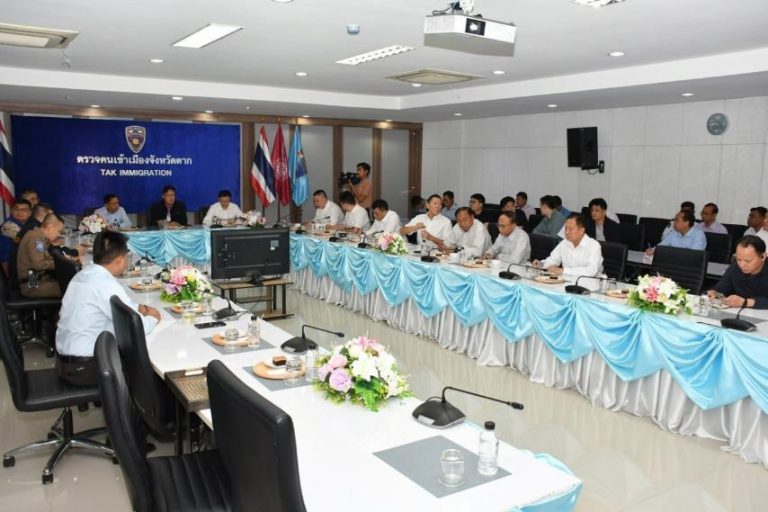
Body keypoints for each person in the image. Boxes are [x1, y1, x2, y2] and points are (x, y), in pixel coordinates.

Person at [56, 231, 161, 386]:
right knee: (150, 371)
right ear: (120, 260)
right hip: (85, 368)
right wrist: (153, 318)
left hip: (65, 362)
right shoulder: (106, 284)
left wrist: (137, 307)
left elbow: (116, 306)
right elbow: (136, 328)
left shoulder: (84, 274)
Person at [534, 214, 603, 283]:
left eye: (570, 229)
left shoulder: (594, 246)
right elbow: (553, 259)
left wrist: (563, 271)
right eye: (565, 228)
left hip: (589, 284)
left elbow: (591, 271)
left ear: (582, 230)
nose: (567, 232)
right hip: (566, 282)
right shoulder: (564, 243)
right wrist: (542, 264)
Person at [17, 213, 72, 298]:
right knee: (72, 289)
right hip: (32, 284)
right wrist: (62, 262)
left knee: (70, 284)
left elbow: (46, 258)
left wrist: (63, 260)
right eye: (58, 231)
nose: (58, 235)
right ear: (50, 227)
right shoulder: (35, 238)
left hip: (38, 279)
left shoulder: (39, 236)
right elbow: (38, 265)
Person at [708, 235, 768, 309]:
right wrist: (714, 293)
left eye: (748, 261)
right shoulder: (735, 268)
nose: (742, 265)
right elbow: (720, 289)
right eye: (738, 259)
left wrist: (746, 302)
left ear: (763, 256)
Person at [0, 199, 32, 272]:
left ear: (30, 213)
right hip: (8, 265)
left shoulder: (28, 224)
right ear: (11, 211)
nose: (19, 212)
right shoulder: (8, 225)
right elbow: (5, 256)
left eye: (24, 210)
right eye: (16, 209)